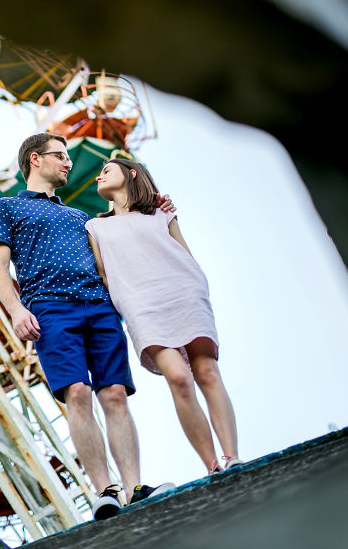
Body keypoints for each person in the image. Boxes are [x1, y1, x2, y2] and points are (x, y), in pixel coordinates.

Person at [0, 133, 174, 521]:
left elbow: (125, 233)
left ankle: (136, 487)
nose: (69, 163)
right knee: (76, 392)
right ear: (36, 159)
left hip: (101, 308)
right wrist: (16, 311)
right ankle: (105, 491)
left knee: (116, 394)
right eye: (61, 156)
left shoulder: (81, 218)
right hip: (51, 309)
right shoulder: (5, 208)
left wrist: (155, 206)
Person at [85, 157, 242, 476]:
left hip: (182, 291)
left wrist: (199, 282)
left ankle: (233, 457)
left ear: (130, 174)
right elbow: (103, 274)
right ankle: (211, 464)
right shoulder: (94, 226)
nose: (99, 177)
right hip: (140, 303)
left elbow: (183, 250)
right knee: (179, 378)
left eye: (106, 170)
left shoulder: (161, 211)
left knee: (207, 371)